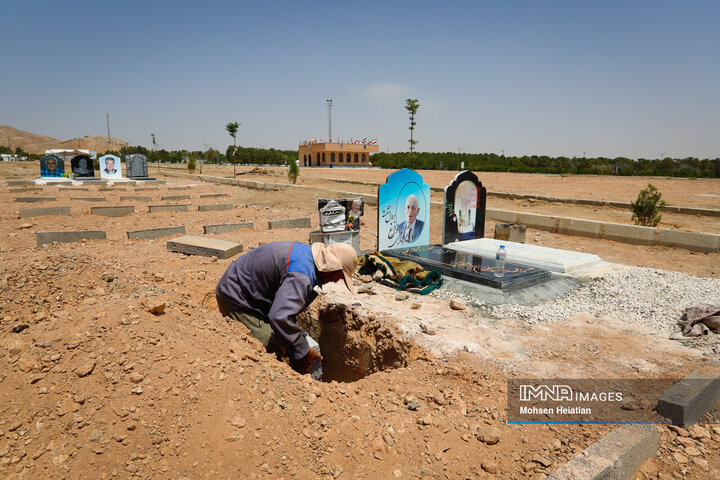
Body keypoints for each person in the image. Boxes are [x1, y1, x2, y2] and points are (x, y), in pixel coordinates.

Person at [215, 241, 358, 374]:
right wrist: (303, 352)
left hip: (250, 290)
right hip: (236, 296)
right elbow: (280, 316)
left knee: (285, 338)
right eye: (340, 276)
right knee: (270, 349)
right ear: (333, 268)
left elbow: (284, 311)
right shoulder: (301, 275)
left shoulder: (306, 255)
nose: (336, 281)